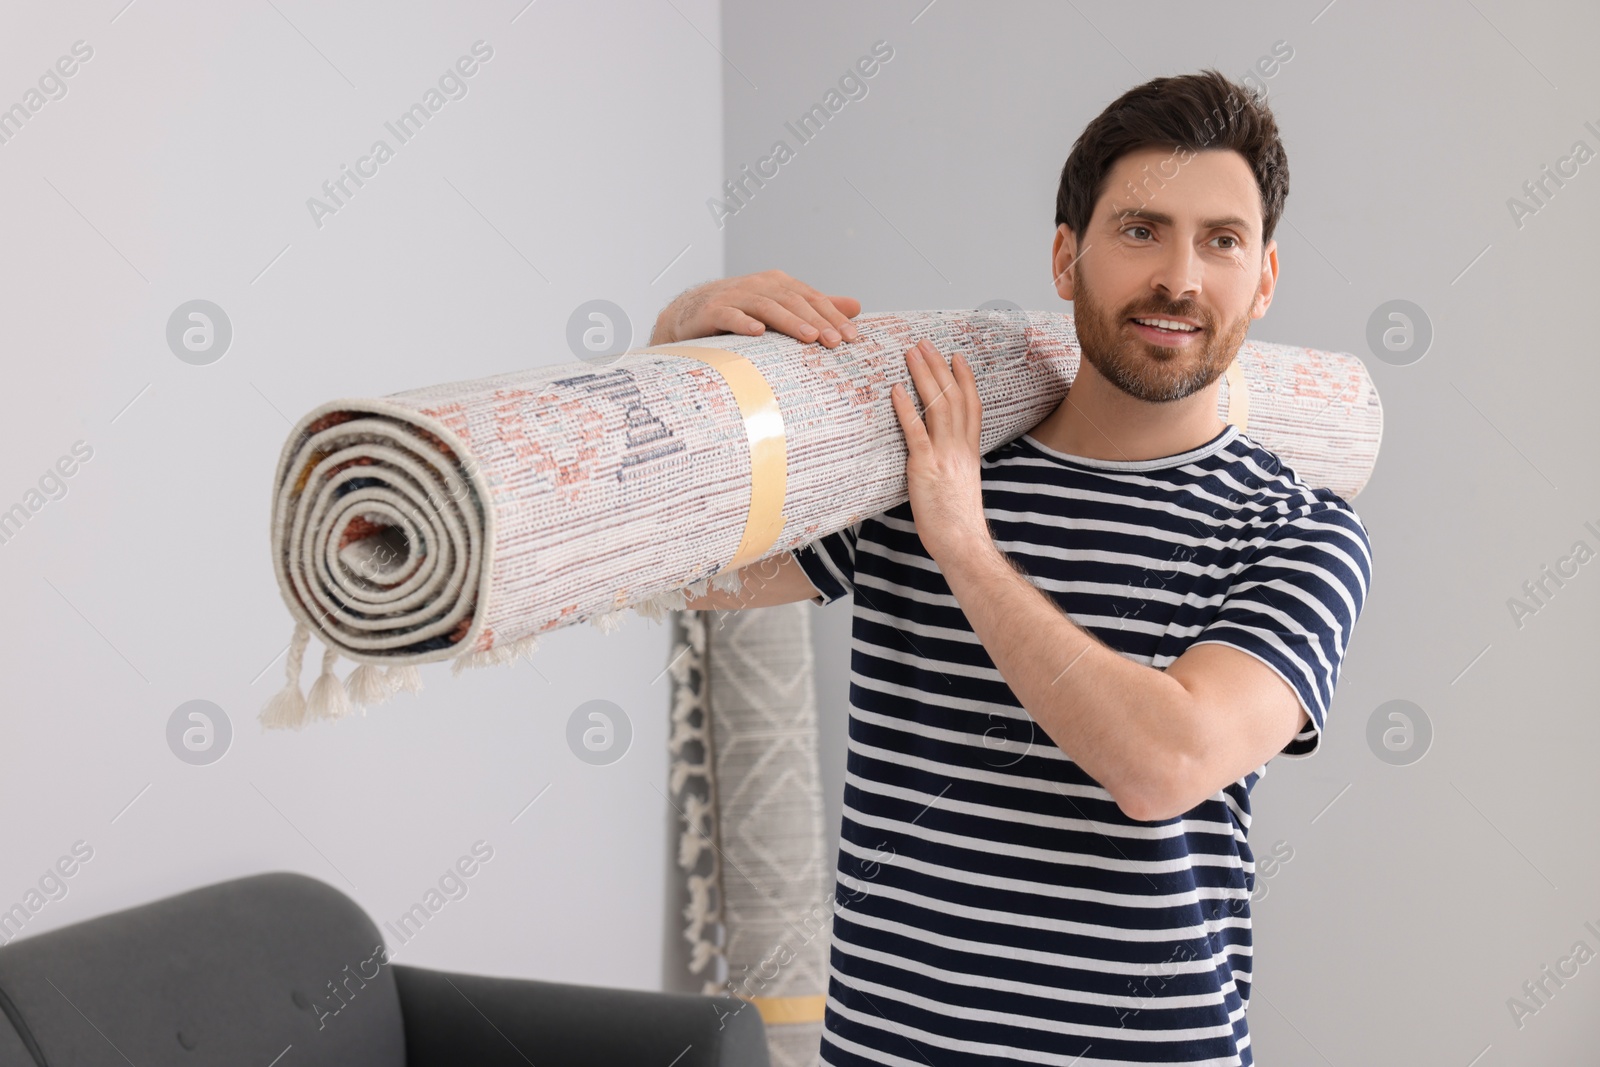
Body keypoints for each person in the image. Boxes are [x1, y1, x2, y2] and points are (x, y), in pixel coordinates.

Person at [651, 68, 1371, 1067]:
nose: (1180, 277)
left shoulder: (1297, 532)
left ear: (1264, 277)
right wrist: (678, 343)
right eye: (1139, 229)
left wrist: (966, 547)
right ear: (1065, 257)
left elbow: (1162, 763)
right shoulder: (927, 456)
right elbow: (672, 573)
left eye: (1220, 240)